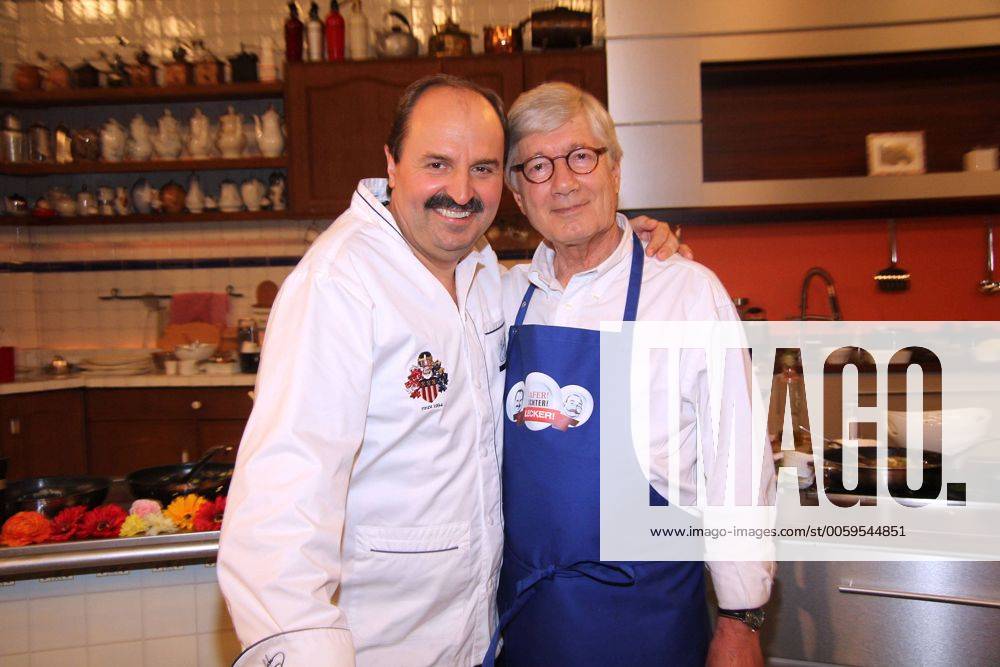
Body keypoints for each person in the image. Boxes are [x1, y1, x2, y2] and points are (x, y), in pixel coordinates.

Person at [218, 74, 681, 666]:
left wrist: (620, 244)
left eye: (483, 168)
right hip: (377, 646)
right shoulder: (339, 286)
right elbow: (281, 502)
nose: (461, 192)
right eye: (438, 163)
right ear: (391, 163)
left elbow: (560, 289)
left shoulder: (480, 271)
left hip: (478, 636)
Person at [488, 82, 775, 667]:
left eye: (581, 156)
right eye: (537, 167)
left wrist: (740, 618)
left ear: (615, 170)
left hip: (648, 620)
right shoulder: (498, 296)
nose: (563, 182)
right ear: (517, 193)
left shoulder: (687, 292)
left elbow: (737, 463)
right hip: (526, 621)